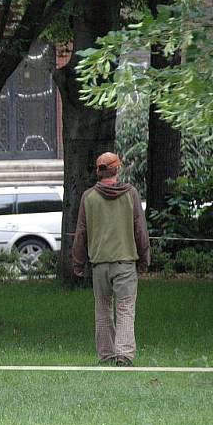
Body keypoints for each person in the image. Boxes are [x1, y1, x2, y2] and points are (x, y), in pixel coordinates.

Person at [72, 152, 150, 367]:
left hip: (99, 265)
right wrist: (145, 258)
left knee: (103, 309)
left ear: (98, 171)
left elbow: (81, 233)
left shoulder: (88, 197)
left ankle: (106, 354)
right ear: (117, 170)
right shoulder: (131, 194)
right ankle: (123, 355)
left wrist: (77, 262)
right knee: (125, 308)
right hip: (125, 262)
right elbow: (140, 229)